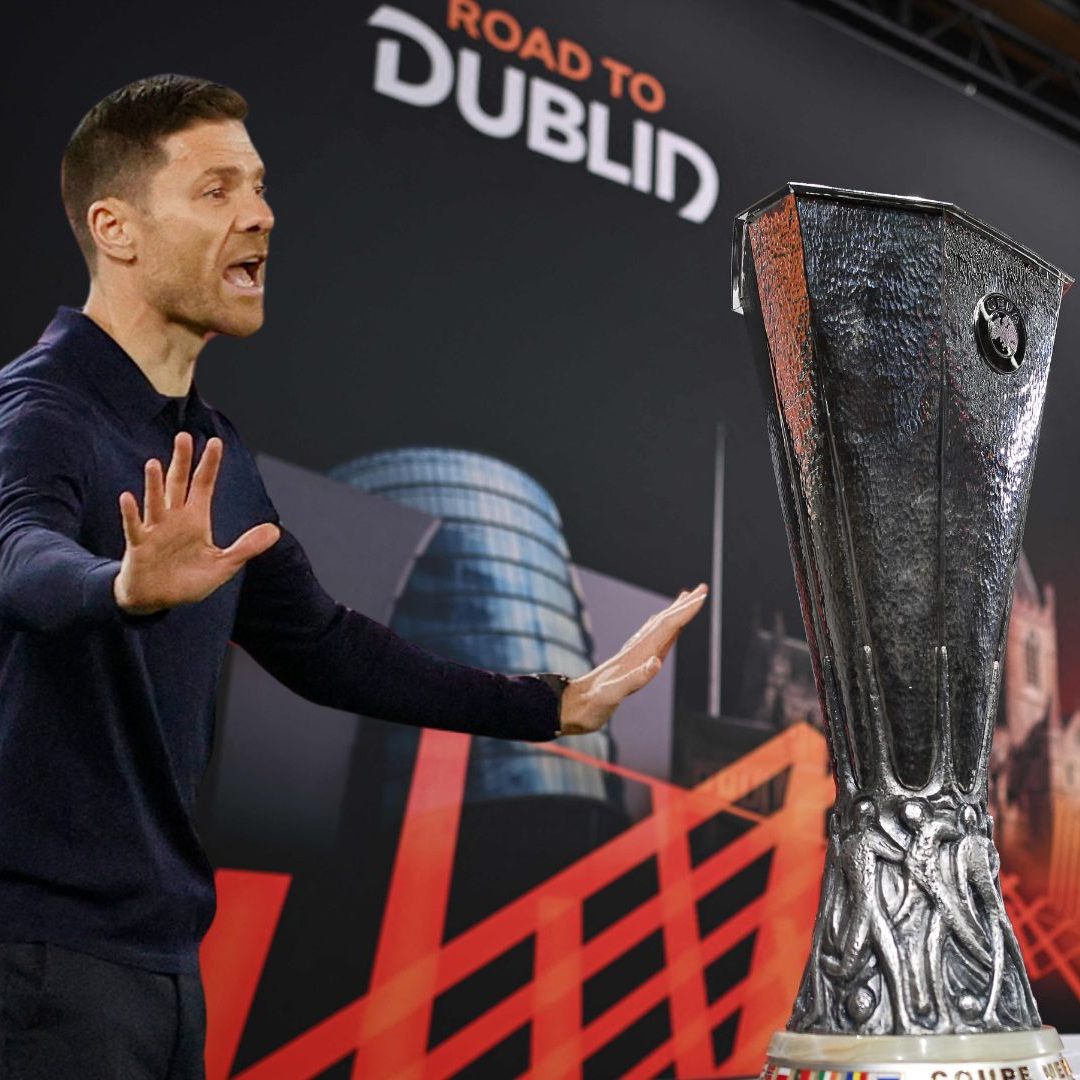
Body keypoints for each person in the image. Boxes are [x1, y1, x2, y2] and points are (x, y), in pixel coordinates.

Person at [0, 74, 708, 1078]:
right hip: (35, 965)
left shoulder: (215, 454)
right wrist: (115, 586)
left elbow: (329, 649)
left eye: (259, 186)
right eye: (215, 190)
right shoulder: (38, 410)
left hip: (159, 966)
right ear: (115, 228)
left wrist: (559, 705)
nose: (260, 214)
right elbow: (17, 554)